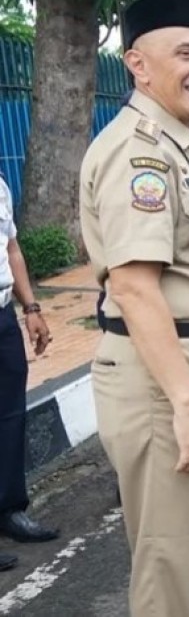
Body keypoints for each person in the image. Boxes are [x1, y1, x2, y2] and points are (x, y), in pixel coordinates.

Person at [79, 0, 189, 615]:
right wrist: (186, 403)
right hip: (169, 378)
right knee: (172, 564)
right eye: (186, 52)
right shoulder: (139, 152)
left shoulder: (186, 144)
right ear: (138, 64)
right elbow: (133, 286)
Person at [0, 174, 57, 574]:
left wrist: (31, 308)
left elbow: (12, 249)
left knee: (9, 416)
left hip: (2, 315)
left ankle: (9, 510)